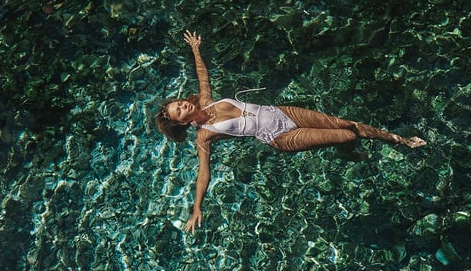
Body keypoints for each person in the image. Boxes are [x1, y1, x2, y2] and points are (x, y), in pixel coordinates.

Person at [156, 31, 426, 232]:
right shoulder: (204, 136)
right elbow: (204, 173)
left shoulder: (205, 101)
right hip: (280, 137)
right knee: (347, 135)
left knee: (348, 123)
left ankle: (402, 141)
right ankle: (345, 152)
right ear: (182, 123)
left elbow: (203, 76)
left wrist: (196, 49)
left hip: (283, 113)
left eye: (179, 103)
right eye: (178, 111)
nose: (182, 105)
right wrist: (197, 207)